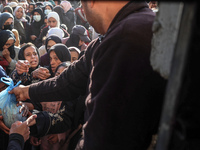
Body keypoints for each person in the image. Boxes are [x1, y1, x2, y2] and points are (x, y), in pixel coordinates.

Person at [9, 1, 167, 150]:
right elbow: (68, 81)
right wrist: (26, 91)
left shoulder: (125, 37)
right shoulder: (112, 35)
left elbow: (103, 134)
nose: (82, 12)